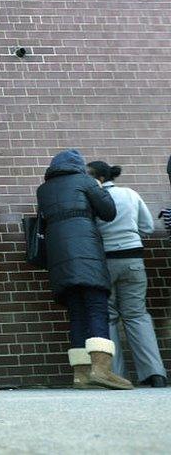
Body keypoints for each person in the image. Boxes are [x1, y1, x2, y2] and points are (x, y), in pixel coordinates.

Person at [36, 149, 131, 390]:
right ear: (77, 166)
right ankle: (101, 370)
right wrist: (97, 187)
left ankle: (80, 374)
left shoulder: (43, 190)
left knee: (77, 314)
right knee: (97, 309)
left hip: (59, 261)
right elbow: (109, 212)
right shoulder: (85, 181)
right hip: (86, 254)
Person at [87, 161, 167, 387]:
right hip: (134, 259)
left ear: (97, 179)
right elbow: (148, 227)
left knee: (108, 317)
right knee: (137, 315)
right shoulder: (130, 194)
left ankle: (116, 375)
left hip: (105, 262)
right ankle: (155, 373)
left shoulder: (93, 198)